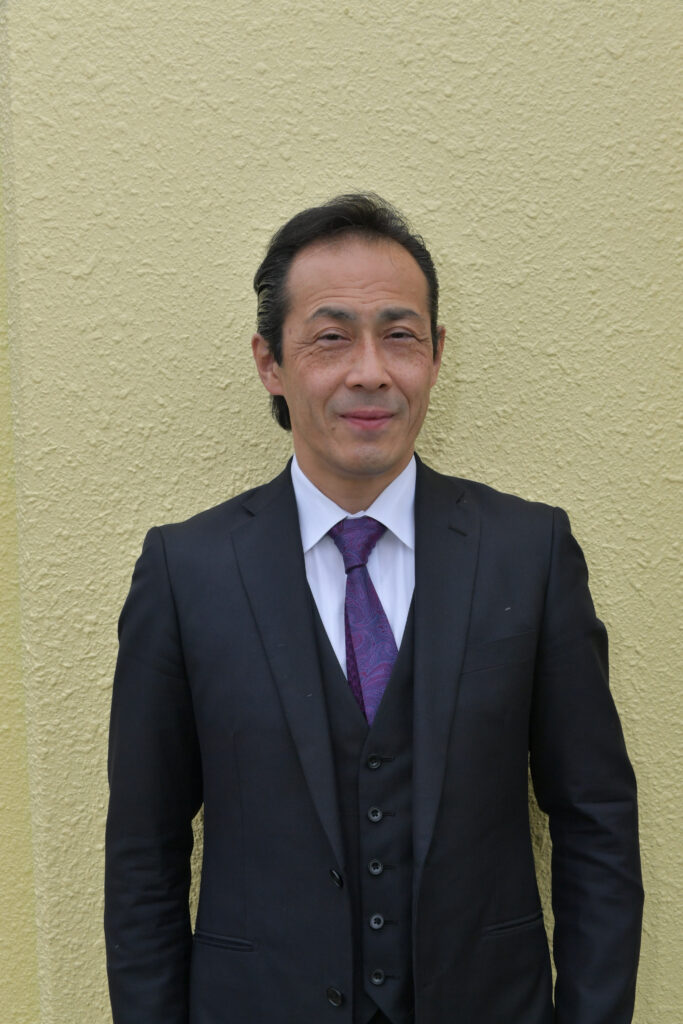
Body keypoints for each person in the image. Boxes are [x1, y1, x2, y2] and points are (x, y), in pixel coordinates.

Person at [104, 193, 643, 1024]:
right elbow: (145, 852)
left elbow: (594, 820)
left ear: (436, 355)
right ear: (270, 363)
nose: (369, 371)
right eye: (330, 338)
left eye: (400, 335)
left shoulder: (527, 552)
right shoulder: (187, 570)